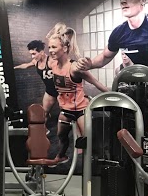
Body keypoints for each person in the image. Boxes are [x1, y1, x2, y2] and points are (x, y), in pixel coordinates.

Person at [47, 23, 109, 165]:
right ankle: (61, 156)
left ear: (64, 48)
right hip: (65, 109)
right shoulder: (52, 64)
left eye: (54, 47)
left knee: (87, 139)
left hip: (81, 110)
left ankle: (94, 161)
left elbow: (96, 83)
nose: (50, 50)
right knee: (61, 136)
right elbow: (49, 38)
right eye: (49, 47)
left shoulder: (75, 68)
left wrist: (116, 96)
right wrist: (57, 31)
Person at [14, 40, 58, 132]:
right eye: (31, 54)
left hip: (61, 91)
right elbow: (26, 65)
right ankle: (43, 131)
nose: (32, 57)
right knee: (44, 113)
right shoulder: (35, 62)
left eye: (34, 54)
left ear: (41, 52)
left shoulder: (51, 62)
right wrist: (13, 68)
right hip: (50, 92)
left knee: (67, 113)